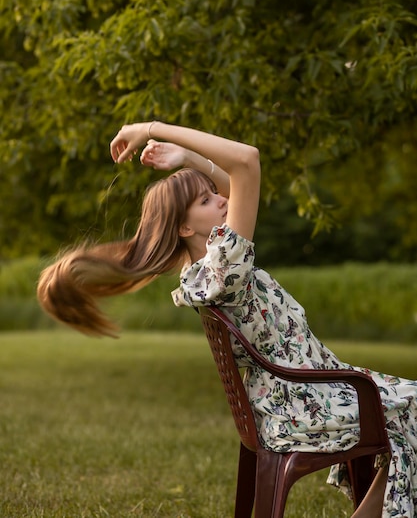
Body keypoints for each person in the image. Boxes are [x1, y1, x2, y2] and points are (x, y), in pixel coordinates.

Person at [37, 121, 417, 518]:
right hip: (302, 405)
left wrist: (186, 159)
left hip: (295, 398)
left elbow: (235, 187)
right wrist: (152, 127)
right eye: (205, 201)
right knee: (414, 407)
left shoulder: (208, 269)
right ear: (186, 227)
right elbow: (246, 163)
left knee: (409, 413)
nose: (221, 200)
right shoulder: (226, 267)